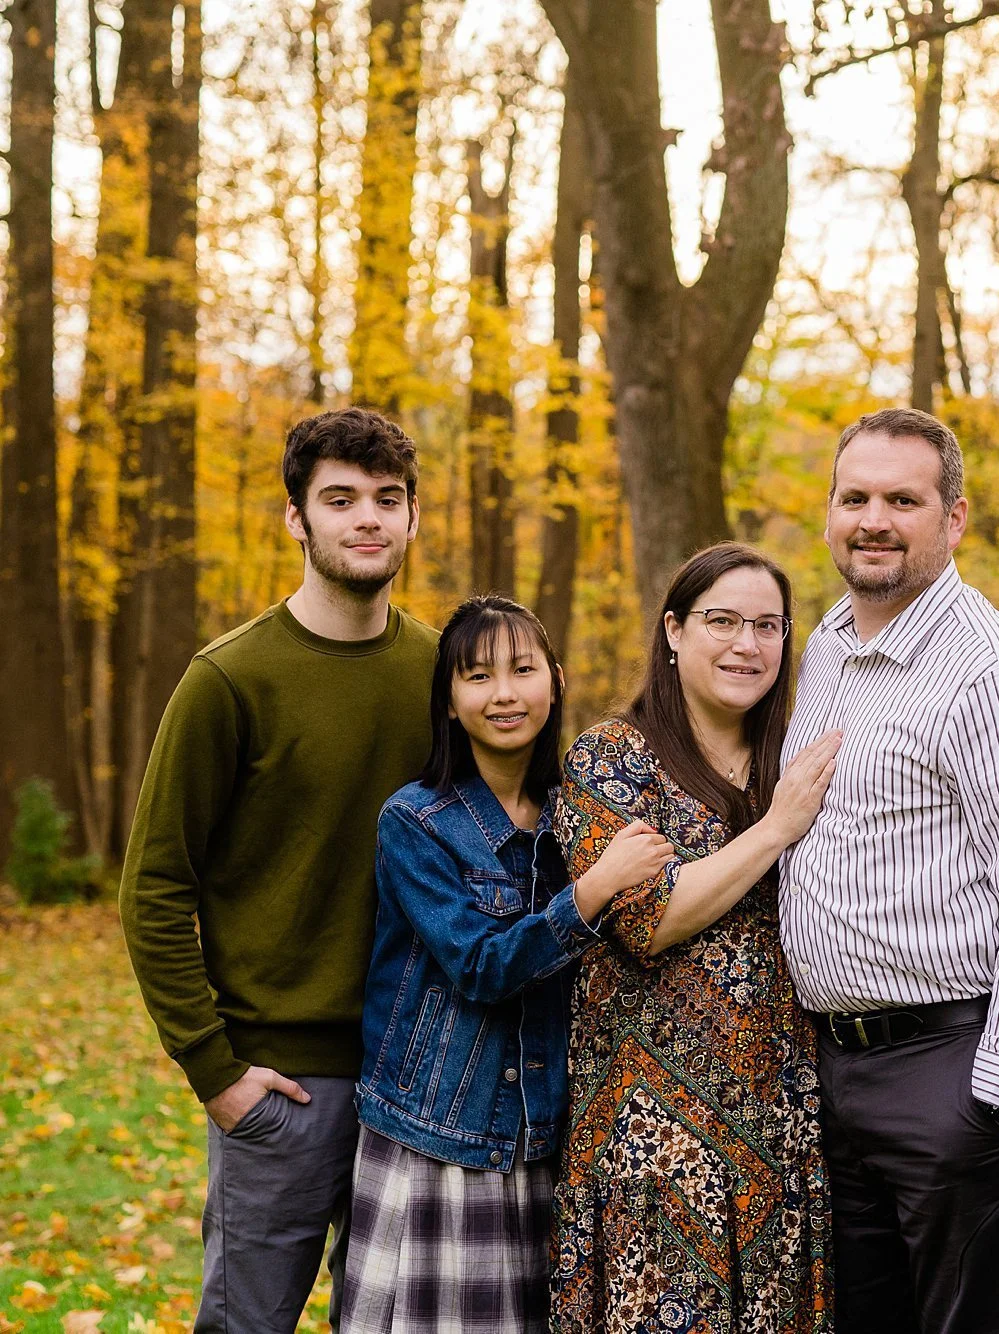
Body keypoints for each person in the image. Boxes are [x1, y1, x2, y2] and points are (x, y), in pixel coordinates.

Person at [120, 407, 438, 1333]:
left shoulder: (438, 673)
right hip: (283, 1087)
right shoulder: (229, 679)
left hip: (415, 1078)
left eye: (387, 500)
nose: (367, 519)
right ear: (296, 519)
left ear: (413, 518)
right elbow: (154, 889)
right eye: (339, 500)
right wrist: (215, 1070)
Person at [779, 407, 999, 1334]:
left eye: (903, 500)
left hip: (953, 1071)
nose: (874, 519)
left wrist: (995, 1092)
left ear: (954, 518)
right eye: (856, 497)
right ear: (831, 511)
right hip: (839, 1070)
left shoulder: (996, 676)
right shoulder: (829, 645)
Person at [343, 596, 671, 1333]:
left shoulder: (577, 818)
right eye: (478, 676)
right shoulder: (416, 821)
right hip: (441, 1136)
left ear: (554, 682)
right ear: (450, 703)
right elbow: (482, 966)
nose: (503, 693)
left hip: (546, 1139)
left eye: (523, 670)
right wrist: (591, 892)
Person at [549, 542, 842, 1332]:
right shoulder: (611, 758)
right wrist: (776, 829)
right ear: (673, 631)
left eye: (769, 626)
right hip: (651, 1140)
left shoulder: (794, 760)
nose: (747, 645)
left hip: (777, 1123)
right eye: (723, 621)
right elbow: (647, 920)